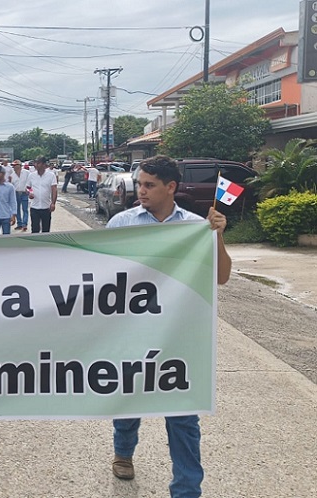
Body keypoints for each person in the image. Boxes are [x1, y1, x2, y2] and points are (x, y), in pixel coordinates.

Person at [107, 155, 232, 498]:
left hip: (179, 337)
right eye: (139, 184)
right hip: (132, 333)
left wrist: (217, 236)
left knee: (183, 419)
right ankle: (124, 451)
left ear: (171, 187)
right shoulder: (121, 224)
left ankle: (187, 488)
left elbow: (220, 277)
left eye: (149, 185)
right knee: (130, 401)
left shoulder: (195, 226)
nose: (141, 191)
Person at [26, 156, 58, 233]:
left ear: (44, 164)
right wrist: (30, 192)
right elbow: (28, 187)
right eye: (35, 163)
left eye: (38, 163)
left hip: (46, 207)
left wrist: (53, 203)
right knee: (35, 229)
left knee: (46, 230)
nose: (35, 165)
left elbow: (54, 189)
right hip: (34, 207)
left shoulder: (51, 176)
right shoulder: (31, 175)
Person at [9, 159, 30, 231]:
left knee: (25, 209)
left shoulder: (27, 173)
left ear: (19, 166)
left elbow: (30, 182)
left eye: (15, 165)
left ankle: (24, 224)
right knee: (16, 209)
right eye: (13, 166)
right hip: (16, 193)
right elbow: (11, 186)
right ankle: (19, 224)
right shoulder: (12, 175)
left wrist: (29, 190)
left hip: (24, 193)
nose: (14, 167)